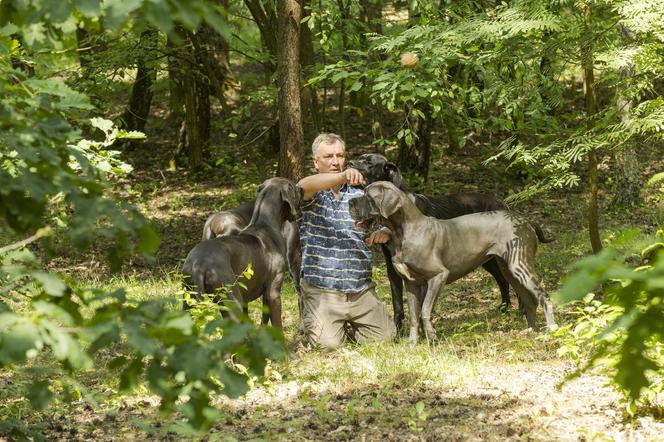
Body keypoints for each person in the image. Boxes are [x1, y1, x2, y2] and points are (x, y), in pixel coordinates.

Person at [297, 133, 395, 349]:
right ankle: (317, 321)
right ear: (316, 162)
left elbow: (375, 226)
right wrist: (341, 177)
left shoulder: (359, 193)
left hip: (360, 290)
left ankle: (346, 323)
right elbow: (302, 186)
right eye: (328, 156)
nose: (335, 161)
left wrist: (385, 232)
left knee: (385, 339)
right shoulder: (312, 193)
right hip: (323, 291)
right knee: (328, 346)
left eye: (340, 155)